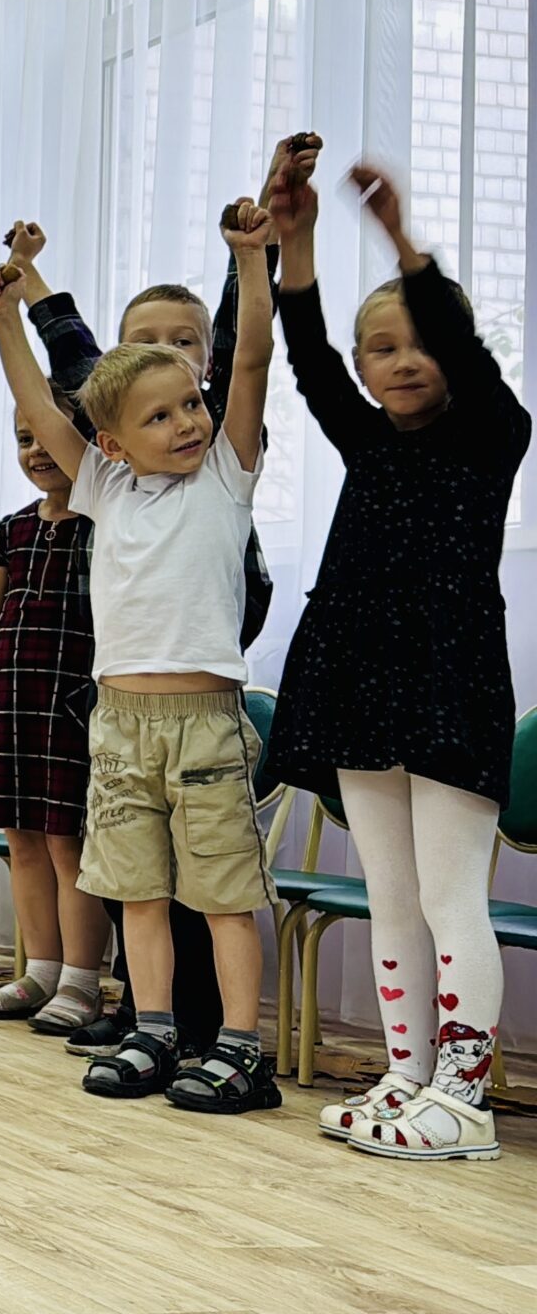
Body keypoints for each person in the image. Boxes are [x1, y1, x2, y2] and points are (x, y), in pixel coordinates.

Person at [0, 189, 283, 1115]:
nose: (187, 422)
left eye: (190, 404)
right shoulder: (103, 488)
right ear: (113, 443)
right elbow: (37, 401)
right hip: (118, 724)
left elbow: (252, 359)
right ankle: (152, 1028)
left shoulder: (227, 474)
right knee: (140, 893)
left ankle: (241, 1047)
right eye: (160, 417)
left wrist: (250, 258)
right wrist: (4, 319)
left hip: (203, 725)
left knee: (222, 895)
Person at [270, 147, 525, 1160]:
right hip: (358, 678)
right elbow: (306, 357)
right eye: (382, 348)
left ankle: (464, 1101)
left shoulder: (493, 432)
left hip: (449, 683)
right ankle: (408, 1075)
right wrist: (295, 242)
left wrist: (400, 239)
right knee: (391, 895)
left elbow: (458, 345)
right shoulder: (366, 440)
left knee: (449, 894)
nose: (404, 360)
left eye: (422, 342)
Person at [0, 387, 108, 1035]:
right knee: (22, 841)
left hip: (74, 705)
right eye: (24, 437)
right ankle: (40, 971)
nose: (37, 450)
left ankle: (81, 982)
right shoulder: (10, 532)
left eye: (48, 435)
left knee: (69, 844)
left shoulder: (105, 525)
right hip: (13, 705)